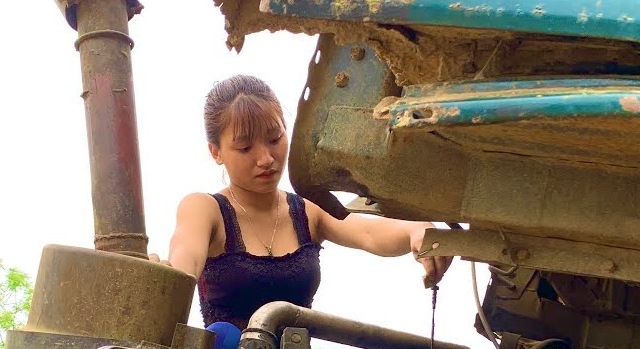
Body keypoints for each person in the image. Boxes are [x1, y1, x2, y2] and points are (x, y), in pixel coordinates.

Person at [152, 75, 452, 335]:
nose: (265, 158)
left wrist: (417, 230)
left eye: (274, 138)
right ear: (216, 152)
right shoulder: (204, 209)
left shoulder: (308, 210)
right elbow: (184, 264)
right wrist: (164, 275)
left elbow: (368, 233)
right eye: (245, 147)